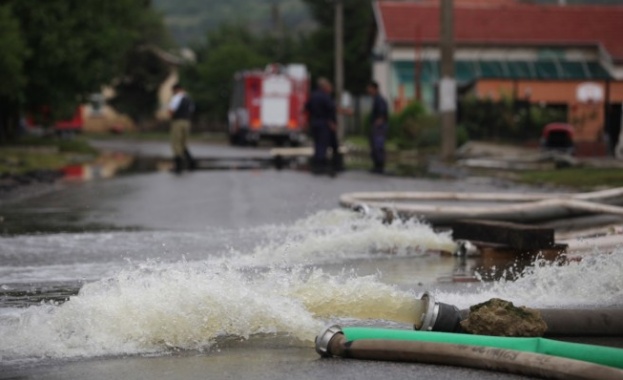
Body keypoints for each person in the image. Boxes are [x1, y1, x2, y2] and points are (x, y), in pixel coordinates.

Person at [305, 77, 338, 176]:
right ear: (324, 87)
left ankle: (316, 164)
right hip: (324, 124)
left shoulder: (313, 96)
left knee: (317, 144)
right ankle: (321, 165)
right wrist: (332, 123)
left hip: (314, 123)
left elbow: (307, 108)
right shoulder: (325, 97)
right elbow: (331, 110)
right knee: (323, 145)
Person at [168, 83, 197, 174]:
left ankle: (178, 165)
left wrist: (171, 117)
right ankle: (191, 162)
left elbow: (172, 110)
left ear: (176, 89)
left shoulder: (176, 98)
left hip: (178, 121)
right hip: (187, 121)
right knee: (183, 143)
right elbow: (192, 109)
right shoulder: (188, 98)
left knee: (176, 143)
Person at [367, 81, 389, 174]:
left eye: (370, 88)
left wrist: (378, 123)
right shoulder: (376, 99)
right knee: (375, 146)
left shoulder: (379, 99)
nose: (368, 90)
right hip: (377, 126)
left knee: (378, 146)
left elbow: (382, 114)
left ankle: (379, 166)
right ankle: (376, 165)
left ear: (374, 88)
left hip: (379, 127)